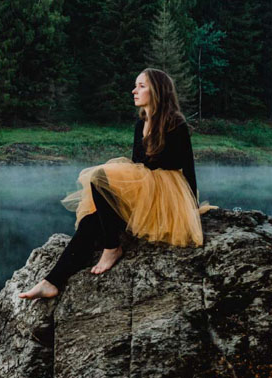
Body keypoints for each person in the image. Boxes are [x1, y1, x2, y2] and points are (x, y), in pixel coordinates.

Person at [19, 68, 214, 300]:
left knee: (99, 177)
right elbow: (135, 167)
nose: (134, 90)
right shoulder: (140, 122)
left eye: (141, 85)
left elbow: (188, 169)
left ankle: (111, 248)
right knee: (92, 221)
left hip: (165, 194)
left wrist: (190, 210)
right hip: (144, 192)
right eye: (135, 85)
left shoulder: (175, 124)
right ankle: (51, 282)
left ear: (158, 90)